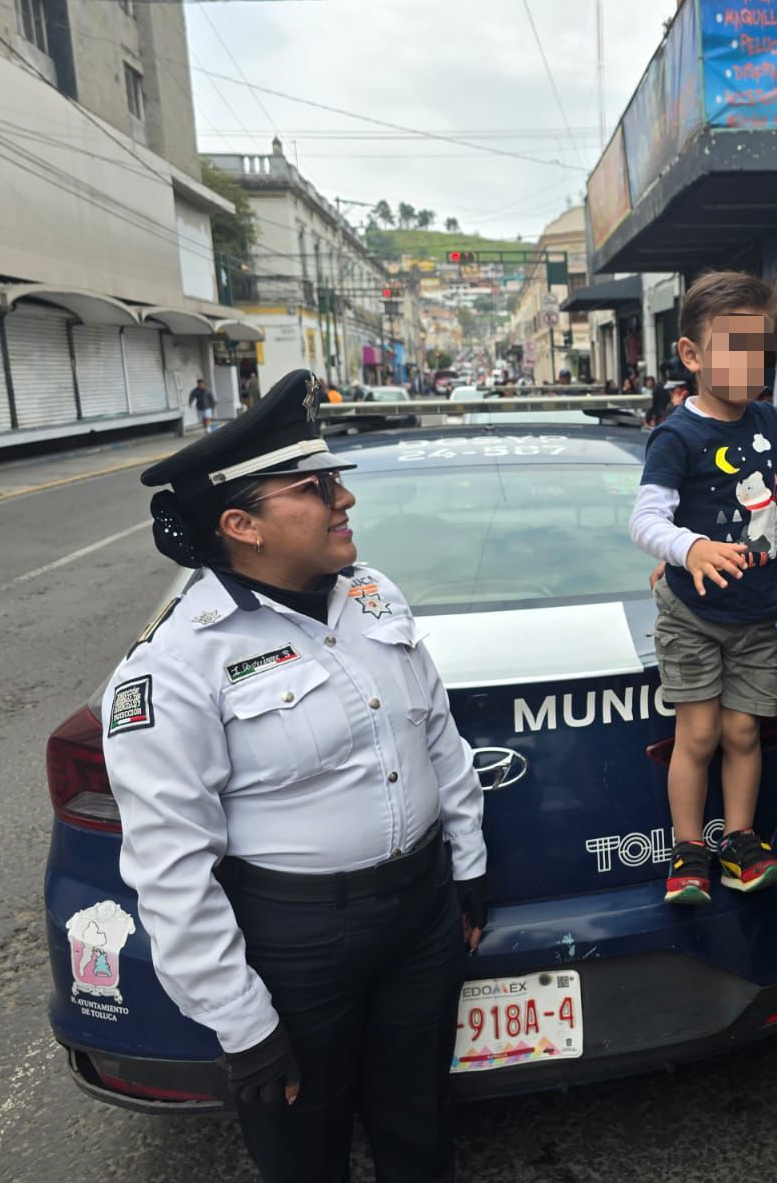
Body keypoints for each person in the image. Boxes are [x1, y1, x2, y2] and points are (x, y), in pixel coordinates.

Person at [100, 369, 487, 1183]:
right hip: (295, 949)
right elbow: (171, 868)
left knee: (420, 1129)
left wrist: (469, 866)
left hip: (419, 916)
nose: (345, 500)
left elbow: (435, 732)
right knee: (305, 1155)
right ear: (241, 524)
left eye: (337, 480)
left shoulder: (372, 594)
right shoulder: (175, 665)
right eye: (315, 487)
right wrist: (242, 1023)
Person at [630, 270, 777, 903]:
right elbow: (646, 519)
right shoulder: (677, 434)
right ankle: (687, 850)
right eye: (732, 346)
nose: (750, 360)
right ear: (692, 355)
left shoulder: (767, 420)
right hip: (693, 615)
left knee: (744, 734)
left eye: (761, 347)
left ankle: (739, 841)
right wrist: (690, 547)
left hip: (757, 616)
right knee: (698, 736)